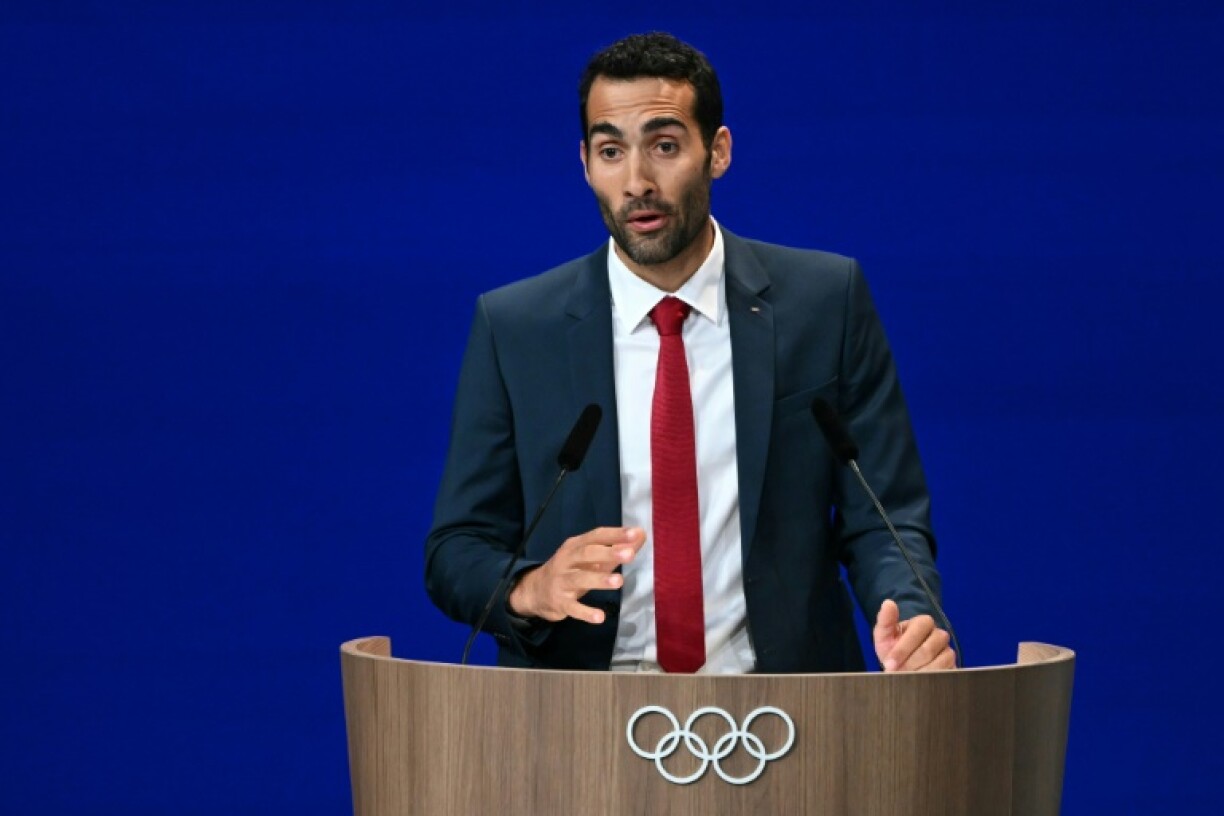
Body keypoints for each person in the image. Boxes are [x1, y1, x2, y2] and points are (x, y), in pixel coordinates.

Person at [425, 32, 955, 674]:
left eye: (665, 146)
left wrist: (910, 619)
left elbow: (884, 513)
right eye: (611, 151)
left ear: (718, 152)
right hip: (575, 717)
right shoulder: (515, 327)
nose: (637, 182)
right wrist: (527, 588)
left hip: (785, 707)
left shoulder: (824, 302)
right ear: (586, 164)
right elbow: (457, 548)